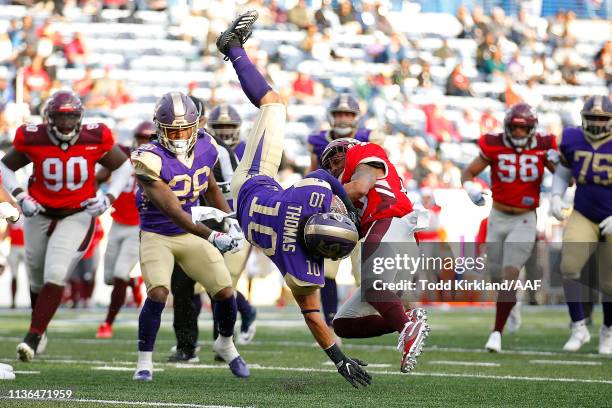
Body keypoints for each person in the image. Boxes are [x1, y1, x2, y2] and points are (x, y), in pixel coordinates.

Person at [217, 10, 370, 388]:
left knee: (273, 103)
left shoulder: (310, 197)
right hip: (249, 204)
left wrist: (344, 203)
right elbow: (314, 318)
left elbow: (319, 175)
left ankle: (234, 49)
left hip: (253, 181)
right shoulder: (299, 266)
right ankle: (231, 46)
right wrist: (339, 359)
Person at [0, 90, 132, 361]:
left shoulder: (96, 136)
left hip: (77, 212)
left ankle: (34, 335)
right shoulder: (33, 136)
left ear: (80, 118)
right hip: (39, 209)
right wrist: (20, 196)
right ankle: (40, 329)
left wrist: (108, 197)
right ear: (49, 118)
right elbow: (5, 167)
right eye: (61, 118)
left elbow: (123, 167)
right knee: (36, 276)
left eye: (71, 117)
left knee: (56, 271)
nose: (66, 124)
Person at [131, 91, 248, 381]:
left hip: (190, 233)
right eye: (174, 130)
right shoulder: (148, 158)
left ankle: (225, 344)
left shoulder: (207, 146)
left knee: (224, 290)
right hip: (159, 234)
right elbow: (174, 211)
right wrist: (212, 236)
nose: (181, 136)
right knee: (158, 291)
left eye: (186, 129)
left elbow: (209, 186)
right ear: (160, 129)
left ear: (196, 127)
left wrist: (228, 219)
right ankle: (144, 361)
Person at [320, 137, 430, 373]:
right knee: (344, 324)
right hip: (394, 237)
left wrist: (317, 200)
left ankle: (407, 329)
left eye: (336, 158)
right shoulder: (349, 199)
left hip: (390, 222)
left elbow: (360, 186)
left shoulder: (364, 152)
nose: (333, 168)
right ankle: (408, 318)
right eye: (328, 166)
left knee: (371, 283)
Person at [461, 103, 558, 352]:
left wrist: (558, 165)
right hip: (497, 216)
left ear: (532, 129)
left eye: (523, 128)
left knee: (510, 273)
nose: (517, 133)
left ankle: (496, 333)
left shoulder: (542, 145)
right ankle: (511, 304)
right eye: (514, 128)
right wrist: (471, 189)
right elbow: (468, 172)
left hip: (525, 219)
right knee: (495, 275)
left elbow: (562, 176)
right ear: (507, 126)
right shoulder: (494, 143)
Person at [306, 93, 383, 339]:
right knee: (327, 270)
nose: (342, 118)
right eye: (339, 113)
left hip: (361, 214)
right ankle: (330, 324)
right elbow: (313, 173)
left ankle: (378, 320)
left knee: (366, 277)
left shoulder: (369, 139)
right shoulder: (317, 142)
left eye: (347, 114)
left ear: (356, 118)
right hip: (334, 213)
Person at [551, 95, 612, 355]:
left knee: (610, 281)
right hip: (584, 212)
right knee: (569, 265)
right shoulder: (572, 138)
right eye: (592, 118)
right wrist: (555, 195)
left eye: (602, 119)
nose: (597, 123)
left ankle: (608, 331)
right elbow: (564, 169)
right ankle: (579, 326)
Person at [95, 121, 153, 338]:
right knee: (110, 278)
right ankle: (133, 282)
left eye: (149, 139)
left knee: (119, 273)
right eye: (142, 138)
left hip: (138, 226)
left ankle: (107, 324)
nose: (144, 143)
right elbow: (99, 176)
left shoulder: (160, 162)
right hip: (117, 223)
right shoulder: (124, 158)